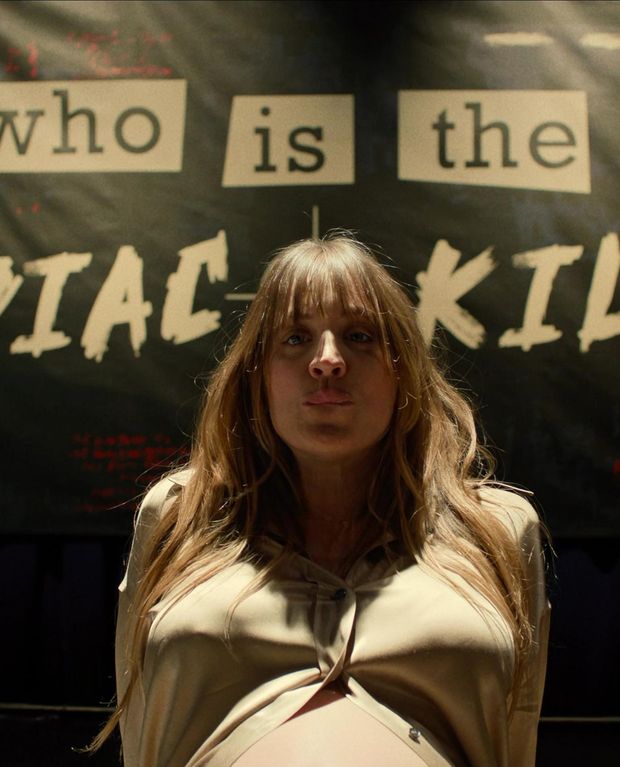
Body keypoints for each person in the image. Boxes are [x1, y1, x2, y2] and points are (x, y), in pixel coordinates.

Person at [102, 233, 550, 766]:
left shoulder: (498, 526)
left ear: (402, 367)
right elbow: (141, 720)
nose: (328, 360)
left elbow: (517, 728)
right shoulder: (179, 513)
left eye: (360, 336)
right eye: (295, 338)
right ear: (257, 375)